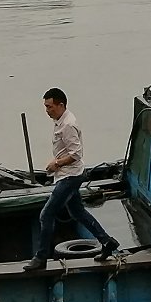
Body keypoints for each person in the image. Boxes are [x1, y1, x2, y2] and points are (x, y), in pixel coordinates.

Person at [24, 87, 118, 270]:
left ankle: (41, 257)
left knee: (46, 214)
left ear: (61, 105)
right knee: (77, 212)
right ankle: (107, 242)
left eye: (50, 106)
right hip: (67, 174)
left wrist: (56, 164)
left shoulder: (68, 125)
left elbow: (76, 154)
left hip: (70, 176)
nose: (47, 110)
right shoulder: (60, 121)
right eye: (45, 106)